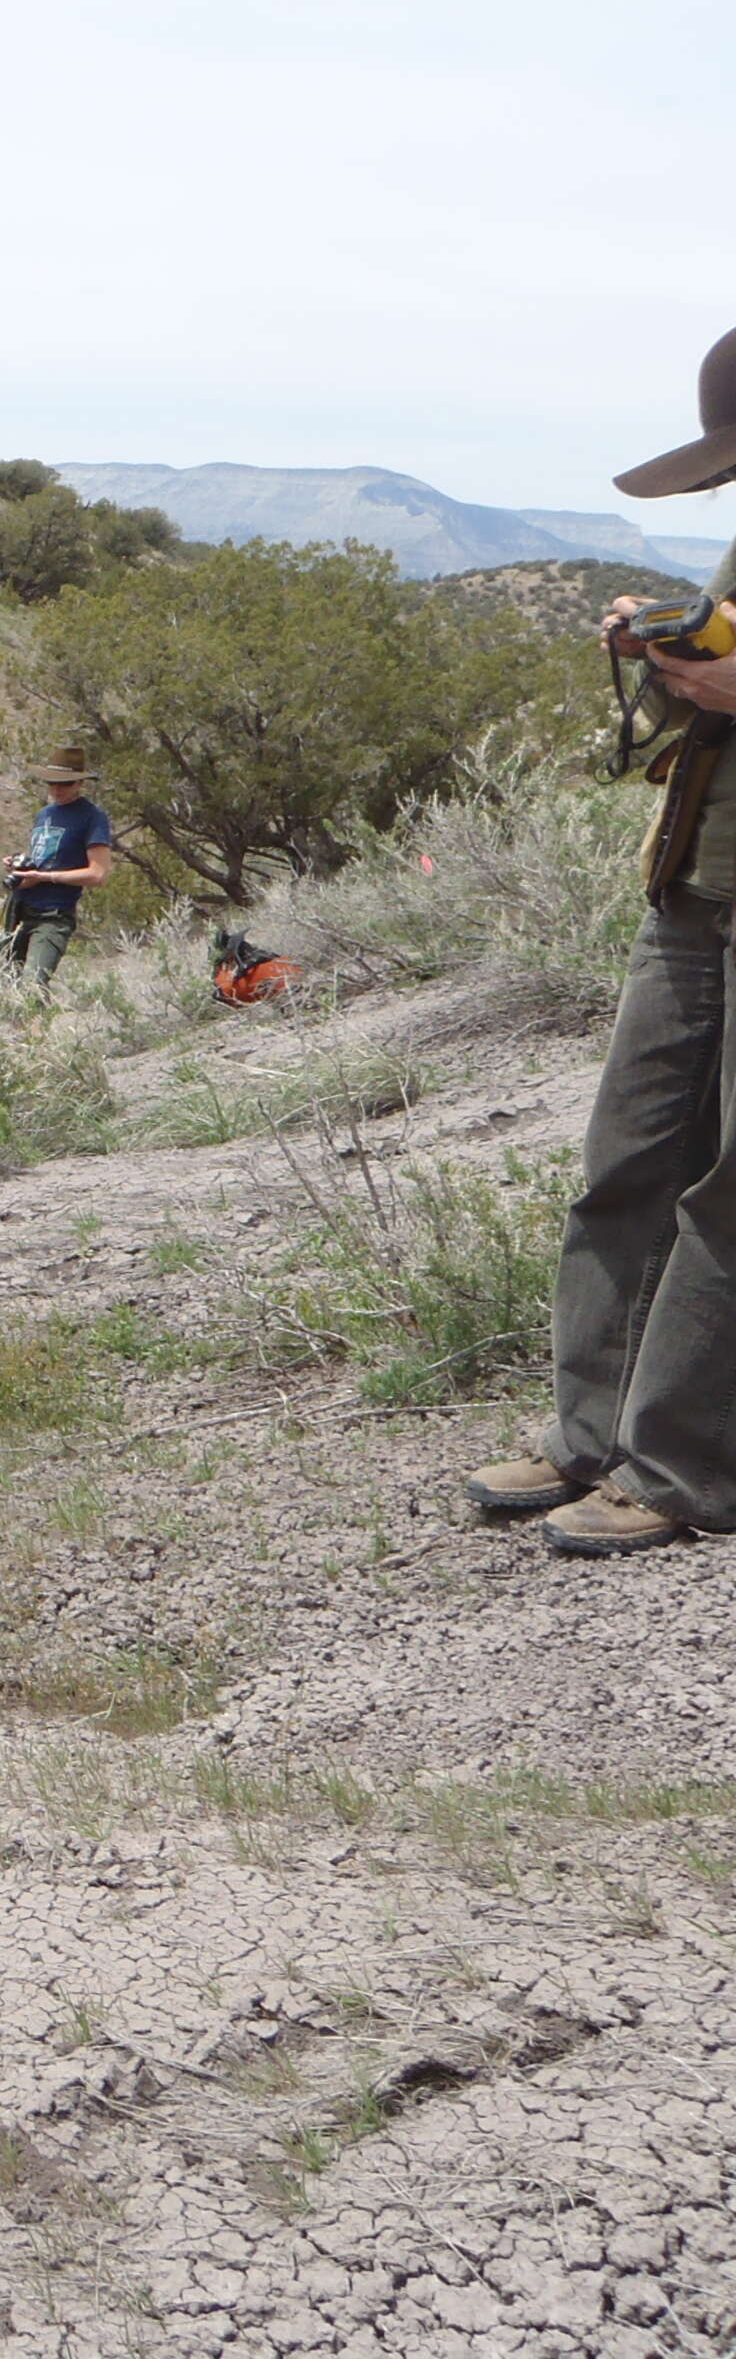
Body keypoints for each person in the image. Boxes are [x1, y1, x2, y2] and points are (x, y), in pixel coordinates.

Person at [465, 324, 736, 1556]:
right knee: (628, 1158)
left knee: (729, 1192)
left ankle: (679, 1467)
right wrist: (672, 651)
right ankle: (592, 1432)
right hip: (693, 886)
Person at [0, 745, 118, 984]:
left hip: (53, 914)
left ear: (79, 783)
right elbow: (44, 857)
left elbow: (98, 874)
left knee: (33, 985)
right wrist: (19, 866)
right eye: (51, 783)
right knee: (3, 984)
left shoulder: (92, 817)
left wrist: (46, 877)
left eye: (64, 783)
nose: (56, 789)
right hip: (20, 909)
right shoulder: (44, 814)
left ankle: (37, 1022)